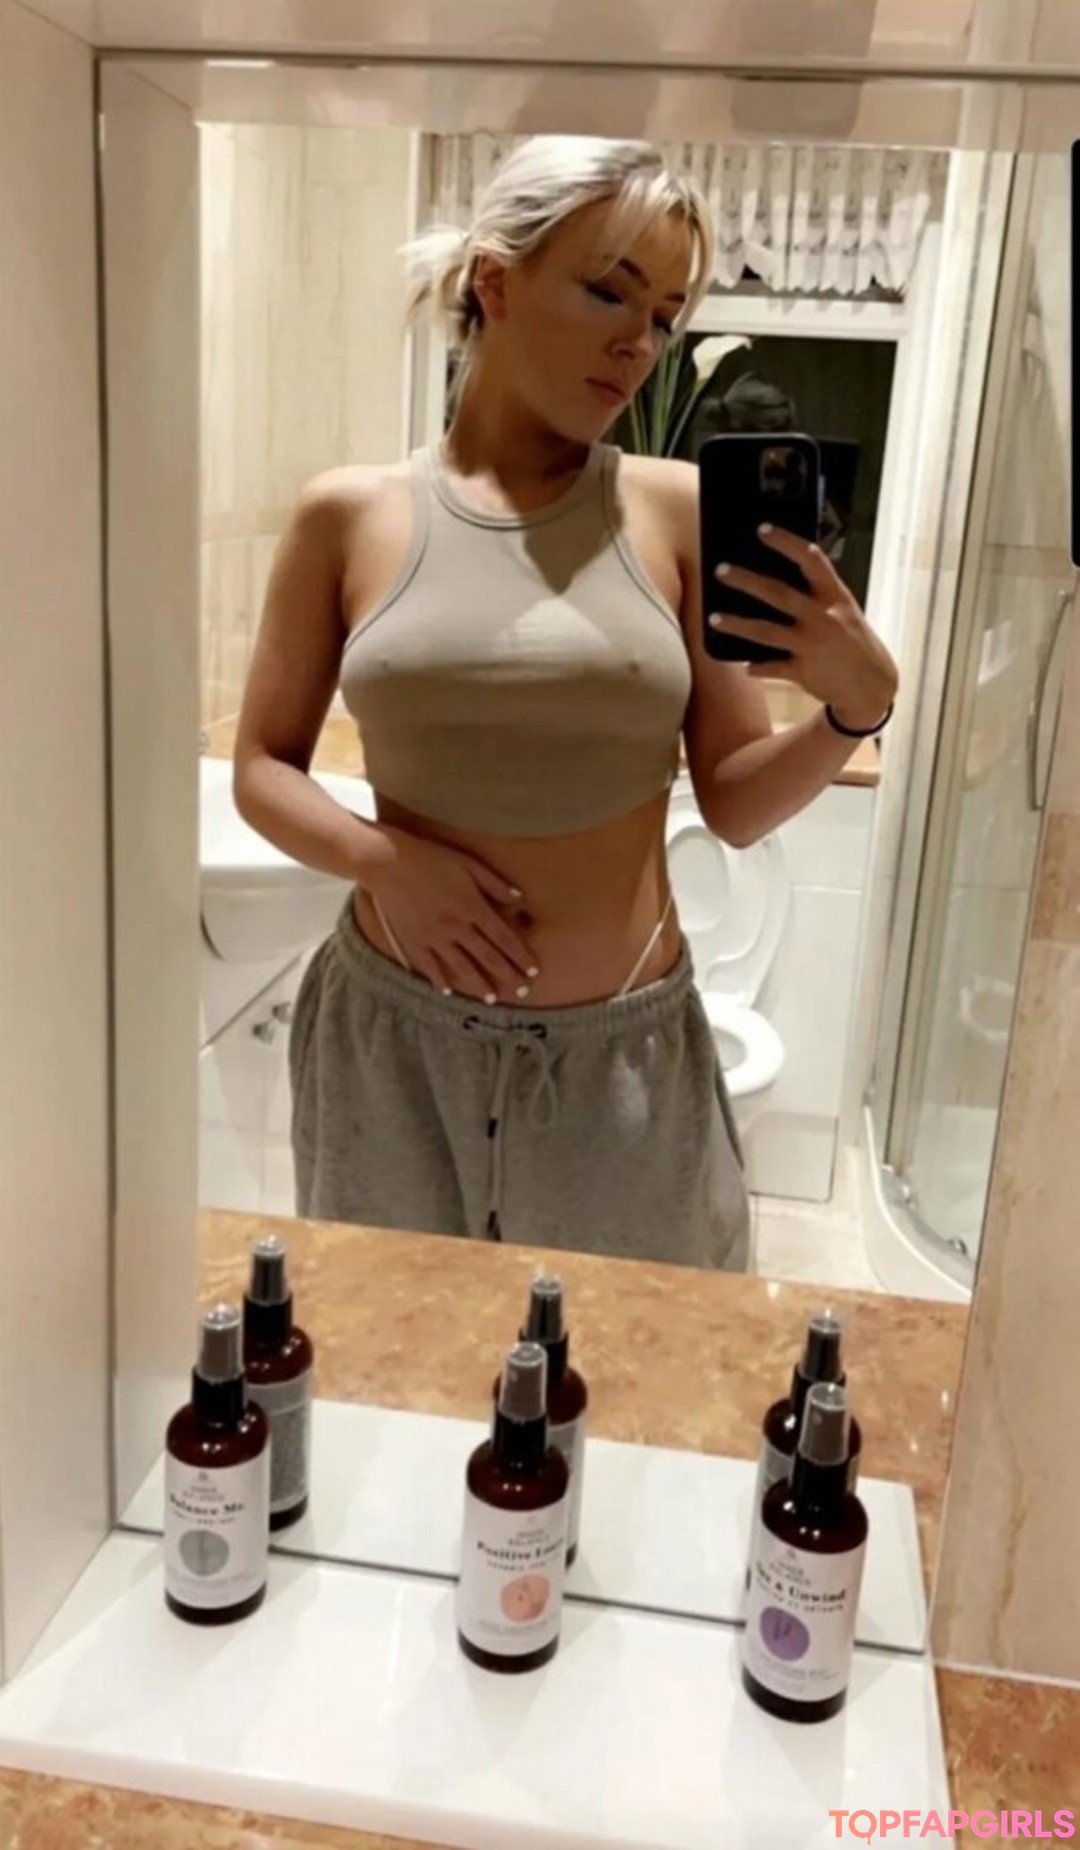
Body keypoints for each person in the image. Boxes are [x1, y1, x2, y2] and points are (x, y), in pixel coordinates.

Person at [232, 136, 898, 1270]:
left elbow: (734, 805)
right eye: (609, 292)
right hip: (391, 1047)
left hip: (621, 1061)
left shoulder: (675, 511)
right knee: (396, 1358)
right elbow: (260, 767)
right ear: (497, 281)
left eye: (666, 315)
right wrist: (385, 861)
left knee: (644, 1368)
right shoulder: (347, 515)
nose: (640, 343)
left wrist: (852, 714)